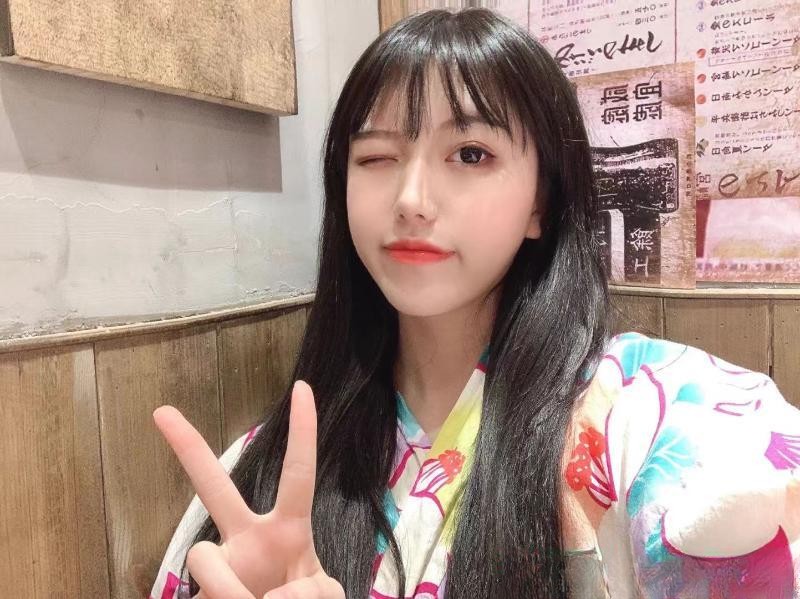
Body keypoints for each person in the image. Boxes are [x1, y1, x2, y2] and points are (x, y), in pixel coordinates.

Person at [149, 8, 800, 599]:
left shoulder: (655, 414)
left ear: (541, 202)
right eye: (376, 156)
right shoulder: (260, 479)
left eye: (470, 153)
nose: (411, 199)